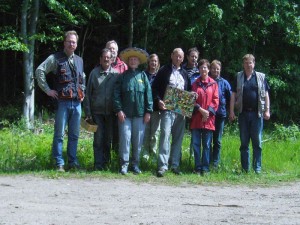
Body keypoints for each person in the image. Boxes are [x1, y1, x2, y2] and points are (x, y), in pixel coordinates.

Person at [35, 30, 85, 172]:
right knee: (59, 134)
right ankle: (59, 163)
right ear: (64, 42)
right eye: (69, 41)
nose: (71, 44)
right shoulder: (55, 58)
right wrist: (48, 90)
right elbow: (40, 71)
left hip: (77, 103)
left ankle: (72, 162)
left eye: (74, 42)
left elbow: (83, 78)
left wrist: (83, 92)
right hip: (62, 102)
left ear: (76, 44)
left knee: (74, 135)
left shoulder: (79, 60)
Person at [113, 47, 153, 175]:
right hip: (125, 116)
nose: (133, 61)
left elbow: (149, 95)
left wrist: (148, 111)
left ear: (139, 61)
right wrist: (119, 110)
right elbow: (116, 94)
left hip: (140, 115)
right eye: (131, 59)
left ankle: (135, 165)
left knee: (138, 141)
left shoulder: (143, 76)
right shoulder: (122, 77)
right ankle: (124, 165)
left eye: (135, 59)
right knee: (125, 140)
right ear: (128, 61)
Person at [152, 48, 191, 177]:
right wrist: (158, 100)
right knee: (165, 136)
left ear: (183, 58)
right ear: (172, 56)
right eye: (176, 56)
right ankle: (162, 166)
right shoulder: (163, 70)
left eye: (180, 57)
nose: (178, 58)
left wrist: (191, 99)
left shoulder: (185, 73)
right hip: (167, 109)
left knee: (178, 138)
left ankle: (175, 165)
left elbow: (189, 91)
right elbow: (155, 88)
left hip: (180, 111)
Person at [229, 54, 270, 174]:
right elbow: (233, 95)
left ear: (254, 64)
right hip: (243, 114)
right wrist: (231, 111)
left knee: (257, 143)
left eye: (250, 63)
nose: (248, 65)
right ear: (243, 64)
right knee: (244, 143)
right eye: (246, 63)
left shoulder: (260, 77)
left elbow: (266, 94)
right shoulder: (238, 76)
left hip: (257, 114)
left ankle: (257, 168)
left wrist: (267, 110)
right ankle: (245, 169)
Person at [83, 48, 119, 171]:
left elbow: (118, 94)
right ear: (100, 59)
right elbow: (87, 94)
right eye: (104, 57)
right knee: (98, 139)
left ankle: (106, 163)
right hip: (96, 113)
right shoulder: (94, 73)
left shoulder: (115, 74)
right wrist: (88, 113)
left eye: (108, 57)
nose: (106, 59)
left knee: (108, 139)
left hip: (111, 113)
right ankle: (98, 165)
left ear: (111, 59)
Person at [190, 59, 219, 175]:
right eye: (201, 67)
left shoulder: (214, 84)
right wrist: (201, 111)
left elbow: (216, 100)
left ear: (208, 69)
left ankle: (205, 168)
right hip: (197, 119)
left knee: (207, 145)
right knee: (196, 145)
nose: (203, 69)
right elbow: (191, 100)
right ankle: (197, 167)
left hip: (209, 120)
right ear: (199, 69)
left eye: (205, 67)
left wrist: (207, 113)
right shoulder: (194, 84)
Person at [209, 60, 231, 169]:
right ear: (210, 69)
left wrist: (229, 110)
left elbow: (230, 98)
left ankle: (215, 164)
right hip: (208, 115)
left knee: (217, 140)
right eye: (213, 68)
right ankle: (207, 162)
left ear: (220, 69)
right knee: (208, 140)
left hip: (220, 115)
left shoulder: (225, 83)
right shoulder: (207, 81)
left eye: (217, 68)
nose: (215, 70)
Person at [143, 54, 161, 160]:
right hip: (144, 109)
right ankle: (145, 156)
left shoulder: (160, 75)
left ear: (158, 63)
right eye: (152, 61)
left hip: (156, 109)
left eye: (155, 61)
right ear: (148, 62)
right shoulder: (143, 75)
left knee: (155, 133)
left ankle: (154, 155)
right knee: (145, 132)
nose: (153, 63)